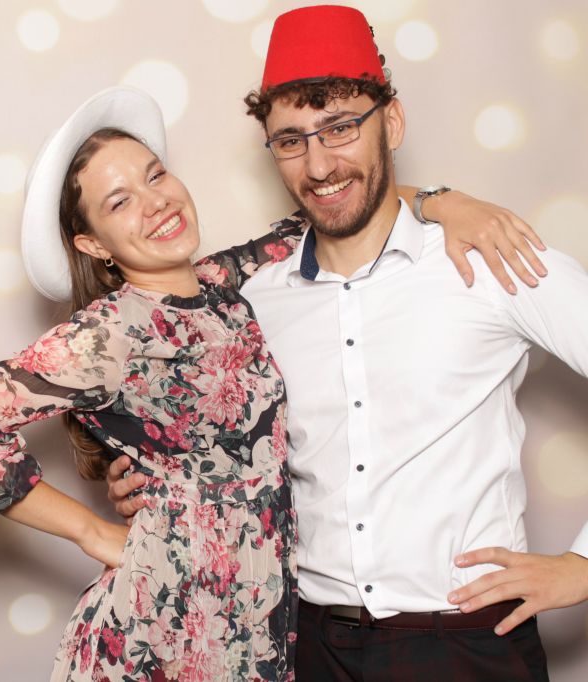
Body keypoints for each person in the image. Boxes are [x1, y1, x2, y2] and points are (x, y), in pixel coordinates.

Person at [0, 84, 538, 680]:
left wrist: (446, 203)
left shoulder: (222, 284)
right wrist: (92, 532)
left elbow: (338, 210)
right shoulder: (111, 333)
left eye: (155, 175)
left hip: (259, 624)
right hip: (168, 626)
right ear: (93, 244)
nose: (155, 202)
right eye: (119, 201)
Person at [107, 6, 588, 680]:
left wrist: (582, 567)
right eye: (291, 140)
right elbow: (231, 451)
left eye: (340, 128)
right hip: (309, 646)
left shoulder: (487, 260)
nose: (319, 164)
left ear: (391, 123)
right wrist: (151, 479)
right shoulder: (256, 303)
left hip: (467, 646)